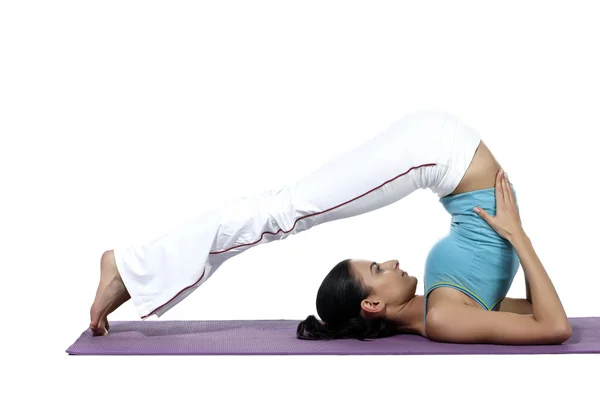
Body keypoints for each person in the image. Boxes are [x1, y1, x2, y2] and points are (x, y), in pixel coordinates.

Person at [89, 110, 572, 345]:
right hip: (440, 154)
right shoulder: (444, 318)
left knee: (283, 212)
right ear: (373, 304)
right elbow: (549, 320)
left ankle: (131, 268)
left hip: (441, 156)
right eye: (380, 267)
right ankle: (128, 267)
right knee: (282, 213)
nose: (395, 261)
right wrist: (519, 237)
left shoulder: (441, 311)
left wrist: (517, 235)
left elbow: (543, 320)